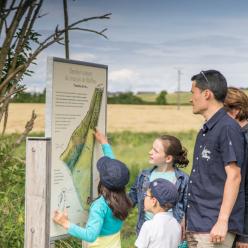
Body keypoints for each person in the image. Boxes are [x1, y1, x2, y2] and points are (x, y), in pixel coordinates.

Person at [186, 70, 245, 248]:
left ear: (207, 94)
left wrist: (222, 221)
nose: (191, 99)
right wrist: (187, 219)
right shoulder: (206, 130)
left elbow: (234, 176)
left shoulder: (227, 128)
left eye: (192, 93)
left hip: (214, 227)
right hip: (198, 221)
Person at [53, 130, 132, 248]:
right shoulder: (122, 199)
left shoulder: (100, 206)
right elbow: (115, 171)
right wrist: (105, 143)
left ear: (102, 180)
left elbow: (90, 235)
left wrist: (65, 223)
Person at [129, 134, 189, 240]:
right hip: (146, 231)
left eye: (155, 151)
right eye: (152, 148)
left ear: (168, 158)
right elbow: (131, 197)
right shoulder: (144, 175)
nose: (150, 152)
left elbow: (188, 204)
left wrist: (185, 219)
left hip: (170, 234)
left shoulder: (182, 179)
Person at [224, 87, 248, 248]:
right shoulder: (237, 135)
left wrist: (244, 235)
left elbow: (245, 189)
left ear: (236, 110)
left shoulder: (244, 139)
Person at [135, 178, 181, 248]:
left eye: (146, 195)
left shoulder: (148, 226)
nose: (144, 198)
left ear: (154, 201)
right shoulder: (177, 225)